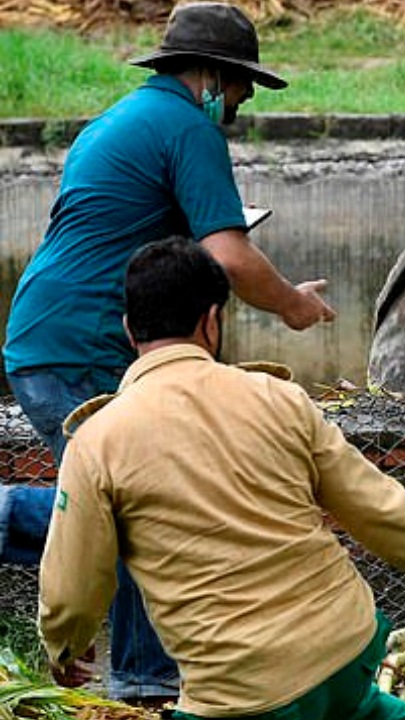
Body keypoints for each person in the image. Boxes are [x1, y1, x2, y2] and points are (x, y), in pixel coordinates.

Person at [1, 2, 335, 704]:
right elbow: (229, 254)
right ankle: (146, 683)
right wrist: (294, 306)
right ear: (214, 76)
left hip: (51, 331)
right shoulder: (189, 126)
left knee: (127, 501)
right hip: (86, 340)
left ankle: (146, 680)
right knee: (132, 504)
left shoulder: (120, 119)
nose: (238, 105)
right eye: (240, 89)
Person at [38, 238, 405, 719]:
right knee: (358, 707)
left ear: (128, 330)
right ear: (211, 321)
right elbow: (375, 505)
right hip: (346, 649)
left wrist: (64, 648)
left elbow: (72, 587)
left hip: (241, 694)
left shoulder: (96, 440)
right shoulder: (279, 397)